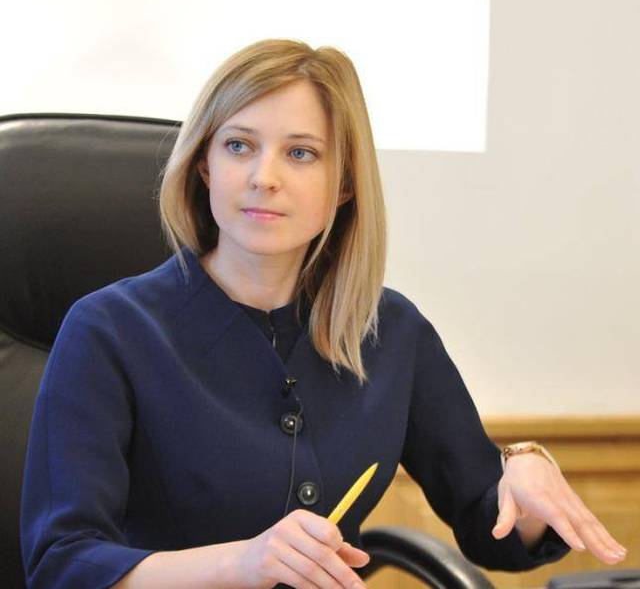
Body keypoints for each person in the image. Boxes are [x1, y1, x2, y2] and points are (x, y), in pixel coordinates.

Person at [20, 38, 627, 589]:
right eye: (238, 146)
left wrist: (526, 479)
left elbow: (488, 524)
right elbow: (63, 564)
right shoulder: (109, 330)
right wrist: (242, 563)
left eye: (301, 153)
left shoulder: (390, 331)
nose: (264, 177)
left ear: (344, 184)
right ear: (205, 164)